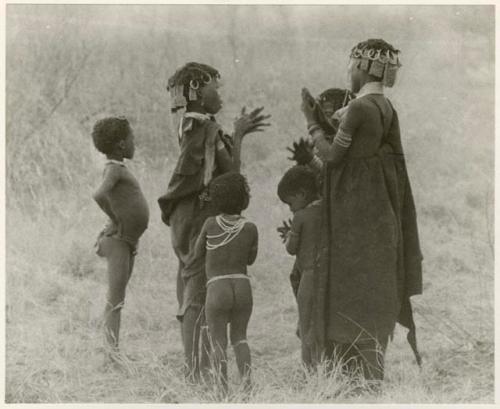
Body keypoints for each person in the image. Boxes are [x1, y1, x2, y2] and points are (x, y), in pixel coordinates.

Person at [300, 39, 423, 387]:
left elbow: (334, 157)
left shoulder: (358, 109)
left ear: (362, 67)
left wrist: (312, 122)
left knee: (349, 292)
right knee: (372, 291)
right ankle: (368, 376)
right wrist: (326, 120)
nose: (349, 73)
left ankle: (351, 378)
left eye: (352, 66)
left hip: (355, 217)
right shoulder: (385, 107)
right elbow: (361, 151)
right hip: (379, 213)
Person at [157, 62, 269, 381]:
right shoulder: (203, 129)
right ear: (197, 91)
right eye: (215, 88)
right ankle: (196, 370)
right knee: (196, 293)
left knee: (192, 289)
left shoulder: (196, 125)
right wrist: (241, 135)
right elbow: (230, 174)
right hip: (197, 218)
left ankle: (196, 366)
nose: (220, 94)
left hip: (187, 217)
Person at [193, 172, 258, 394]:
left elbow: (196, 254)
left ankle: (222, 391)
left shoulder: (210, 224)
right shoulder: (250, 228)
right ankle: (248, 388)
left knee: (218, 341)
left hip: (217, 286)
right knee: (240, 338)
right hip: (242, 286)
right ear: (244, 200)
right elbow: (250, 259)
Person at [92, 117, 149, 357]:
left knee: (118, 300)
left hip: (126, 242)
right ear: (121, 145)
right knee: (115, 301)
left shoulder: (118, 167)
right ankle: (111, 355)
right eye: (132, 139)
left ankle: (112, 350)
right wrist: (115, 220)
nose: (135, 143)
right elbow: (99, 194)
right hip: (117, 242)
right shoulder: (114, 169)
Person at [277, 166, 322, 368]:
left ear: (302, 194)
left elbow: (291, 249)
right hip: (328, 275)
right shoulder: (327, 210)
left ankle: (309, 372)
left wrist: (288, 236)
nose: (290, 208)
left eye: (290, 202)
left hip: (309, 276)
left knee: (305, 327)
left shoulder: (301, 216)